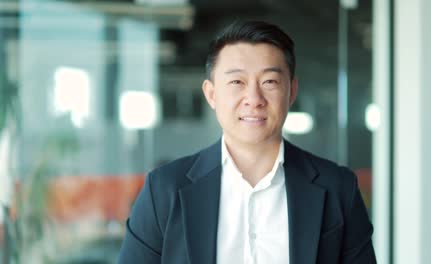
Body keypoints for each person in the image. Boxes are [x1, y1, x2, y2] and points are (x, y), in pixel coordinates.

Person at [118, 20, 376, 264]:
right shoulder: (164, 190)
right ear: (211, 94)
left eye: (270, 82)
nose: (253, 98)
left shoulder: (338, 189)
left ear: (292, 91)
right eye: (237, 82)